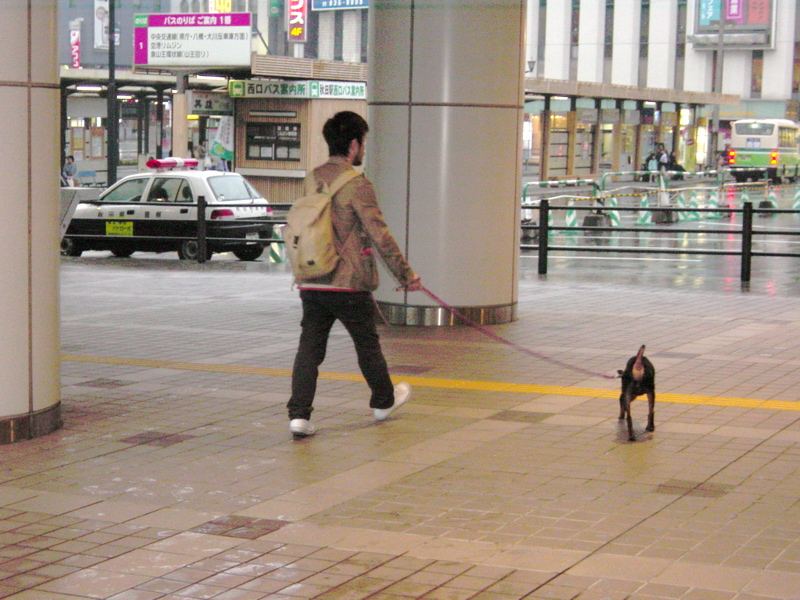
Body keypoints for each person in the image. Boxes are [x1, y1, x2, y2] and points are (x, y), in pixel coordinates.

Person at [287, 111, 422, 438]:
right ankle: (383, 401)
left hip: (311, 276)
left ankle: (299, 416)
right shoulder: (357, 185)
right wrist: (405, 275)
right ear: (353, 144)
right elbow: (380, 235)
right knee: (366, 343)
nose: (364, 148)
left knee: (310, 347)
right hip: (348, 282)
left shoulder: (311, 178)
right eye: (363, 142)